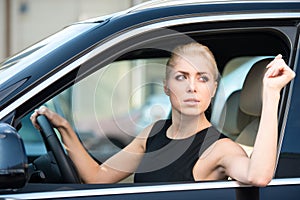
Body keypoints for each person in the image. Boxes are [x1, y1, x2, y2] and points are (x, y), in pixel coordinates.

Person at [31, 42, 295, 186]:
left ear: (213, 89)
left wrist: (271, 95)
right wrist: (64, 129)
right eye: (182, 77)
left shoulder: (220, 148)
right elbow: (98, 177)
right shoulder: (153, 132)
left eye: (202, 78)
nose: (192, 87)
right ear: (167, 87)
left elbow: (257, 176)